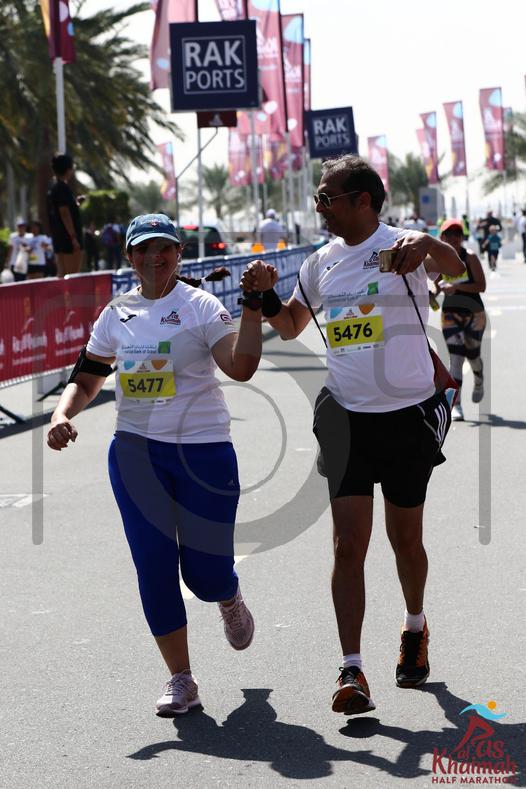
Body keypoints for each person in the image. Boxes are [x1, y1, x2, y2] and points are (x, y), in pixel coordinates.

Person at [241, 155, 465, 716]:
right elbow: (291, 324)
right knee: (347, 543)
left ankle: (414, 625)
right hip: (345, 416)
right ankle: (352, 668)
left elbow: (458, 270)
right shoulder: (319, 263)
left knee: (405, 540)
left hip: (407, 414)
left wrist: (428, 245)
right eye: (319, 197)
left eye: (328, 197)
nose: (320, 206)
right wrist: (264, 296)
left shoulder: (404, 245)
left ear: (363, 200)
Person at [47, 213, 263, 717]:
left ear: (178, 253)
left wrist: (253, 307)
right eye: (143, 248)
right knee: (154, 566)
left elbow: (240, 366)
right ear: (130, 257)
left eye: (164, 247)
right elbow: (88, 376)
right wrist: (61, 413)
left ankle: (228, 596)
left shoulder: (201, 306)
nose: (154, 256)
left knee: (206, 575)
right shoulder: (116, 314)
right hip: (136, 454)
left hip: (203, 451)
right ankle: (181, 678)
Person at [434, 219, 486, 422]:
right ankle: (457, 406)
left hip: (474, 314)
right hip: (450, 315)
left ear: (462, 237)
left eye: (457, 234)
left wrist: (456, 287)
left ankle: (479, 378)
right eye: (449, 234)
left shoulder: (469, 257)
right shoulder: (438, 260)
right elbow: (435, 285)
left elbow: (481, 286)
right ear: (442, 237)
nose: (453, 238)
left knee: (472, 355)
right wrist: (431, 294)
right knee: (456, 358)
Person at [46, 153, 83, 278]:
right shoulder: (62, 187)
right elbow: (64, 213)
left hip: (58, 238)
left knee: (61, 275)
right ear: (68, 169)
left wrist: (75, 203)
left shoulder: (53, 188)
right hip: (68, 240)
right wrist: (73, 238)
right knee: (72, 276)